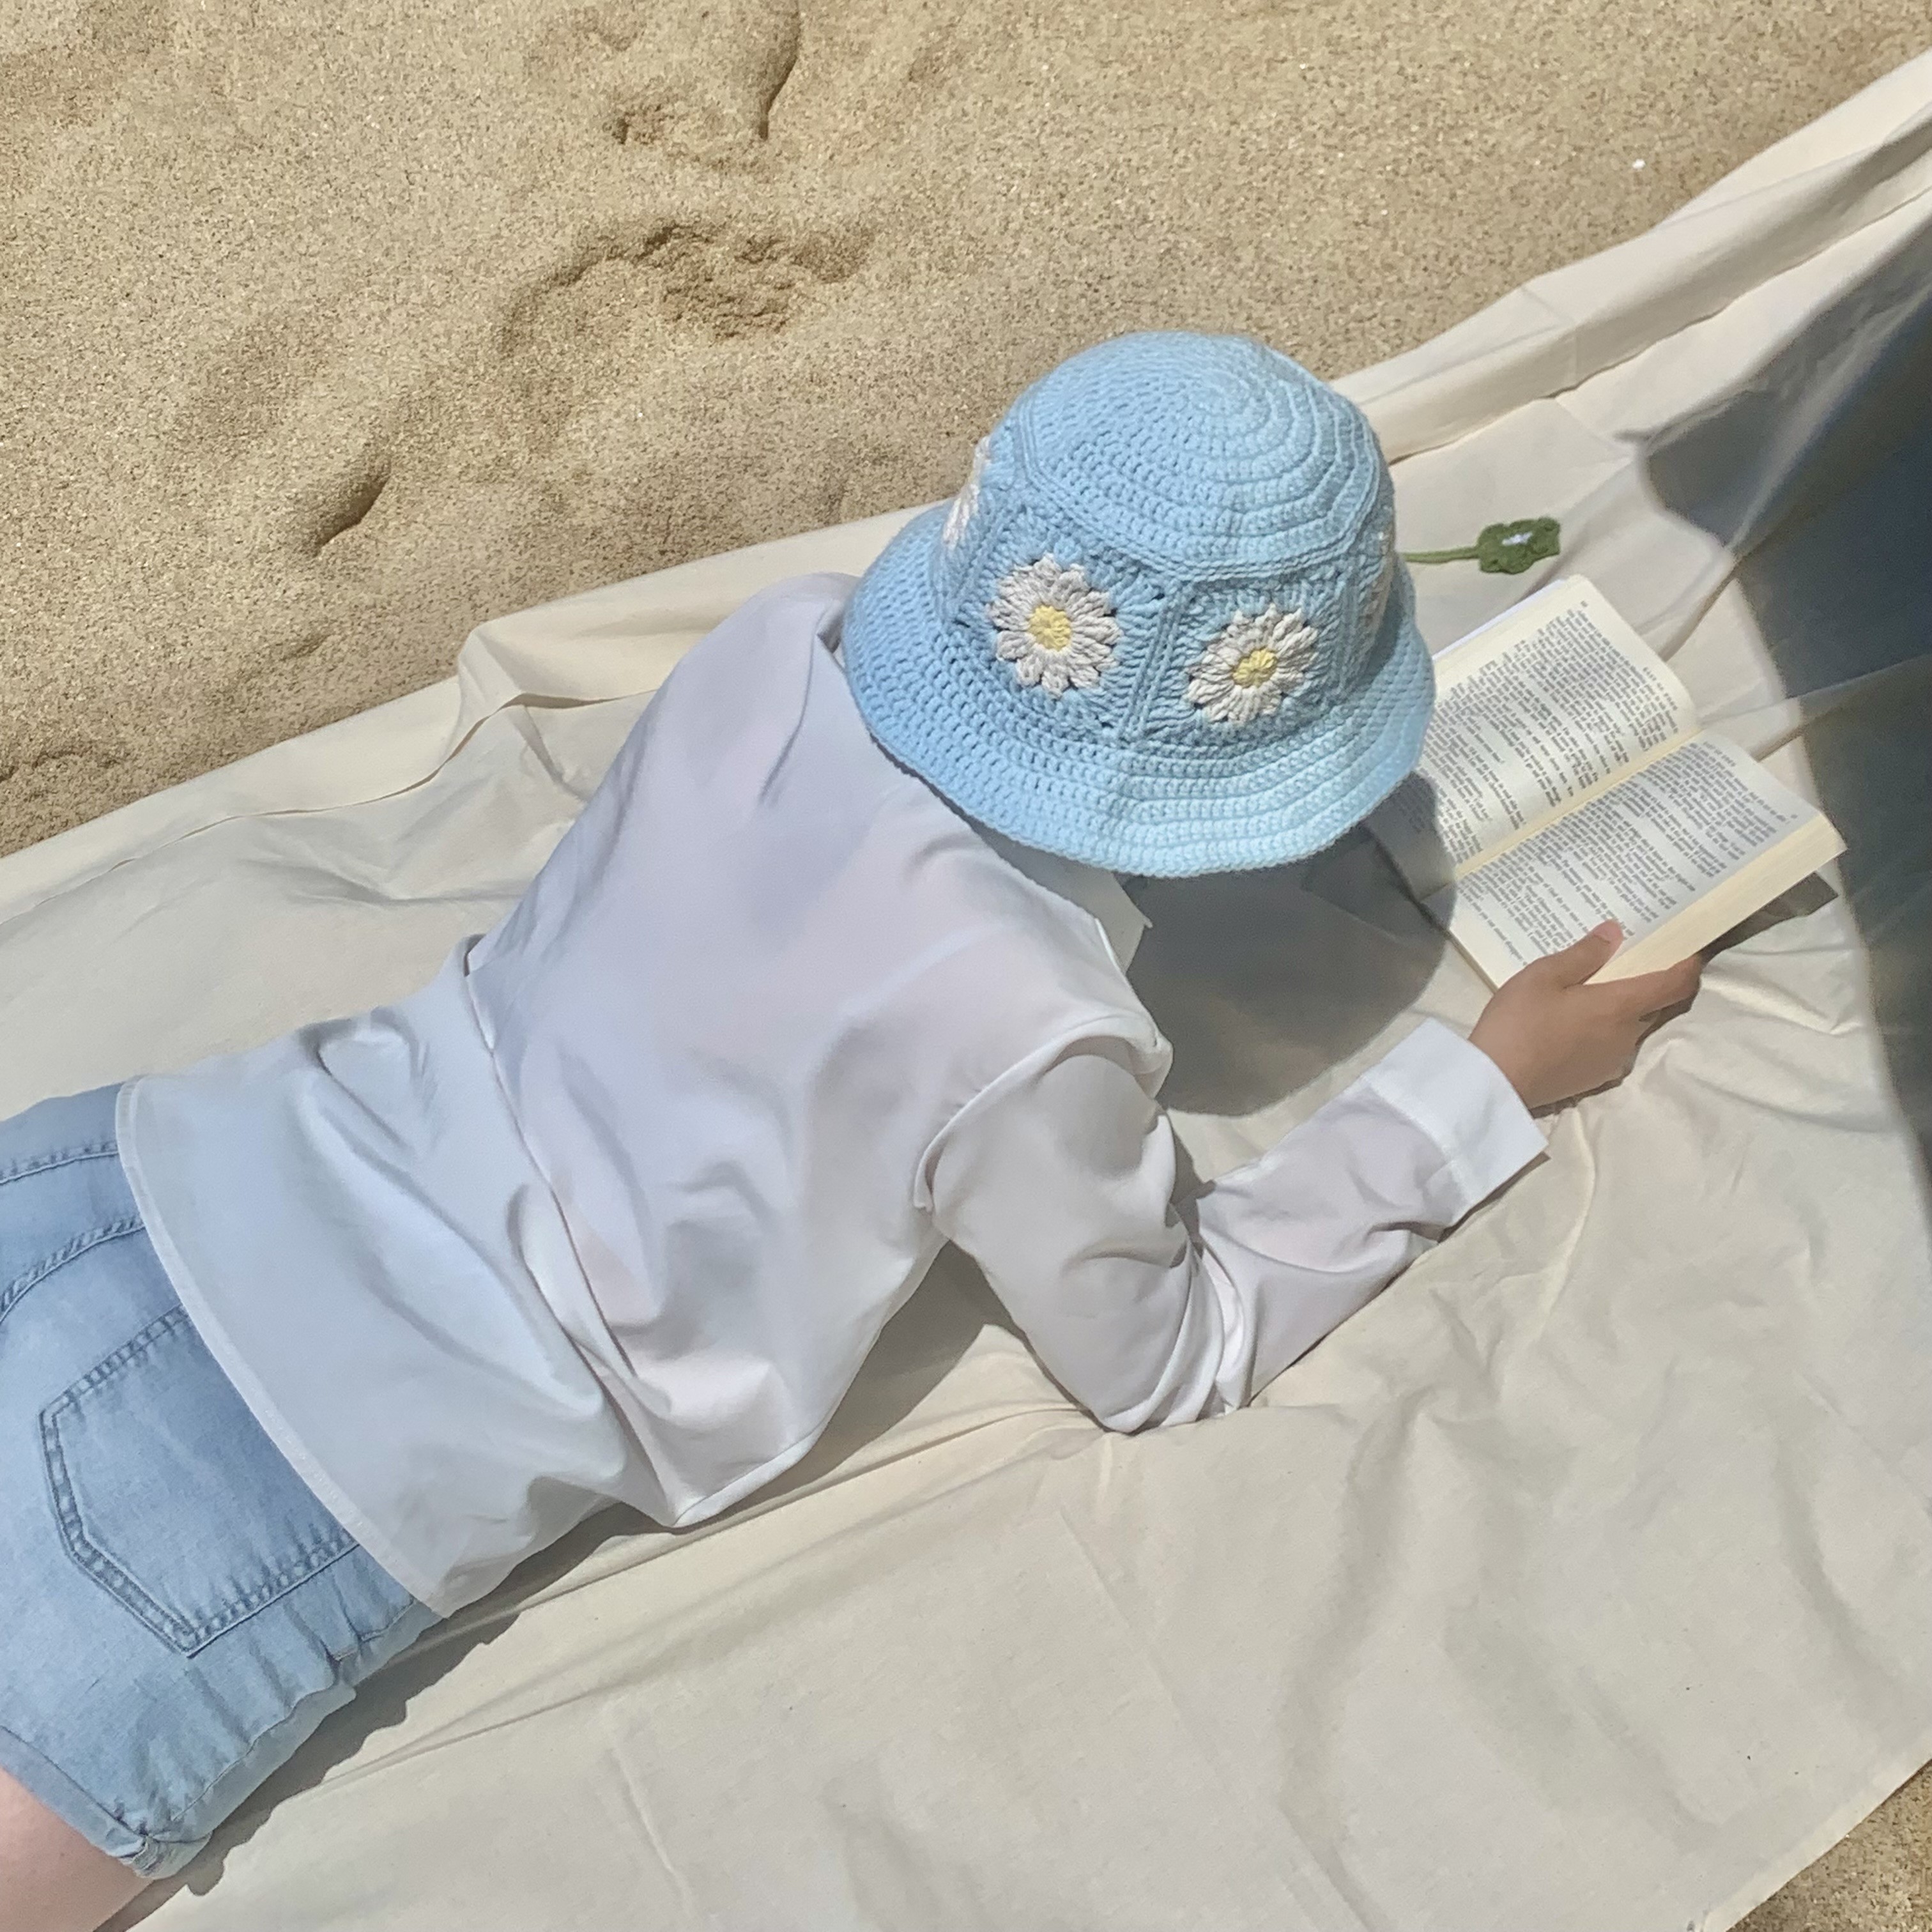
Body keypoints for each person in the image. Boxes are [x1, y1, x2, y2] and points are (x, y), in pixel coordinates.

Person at [0, 331, 1699, 1931]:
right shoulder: (1037, 1029)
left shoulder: (781, 642)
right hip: (304, 1480)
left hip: (142, 1170)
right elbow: (1165, 1351)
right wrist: (1480, 1085)